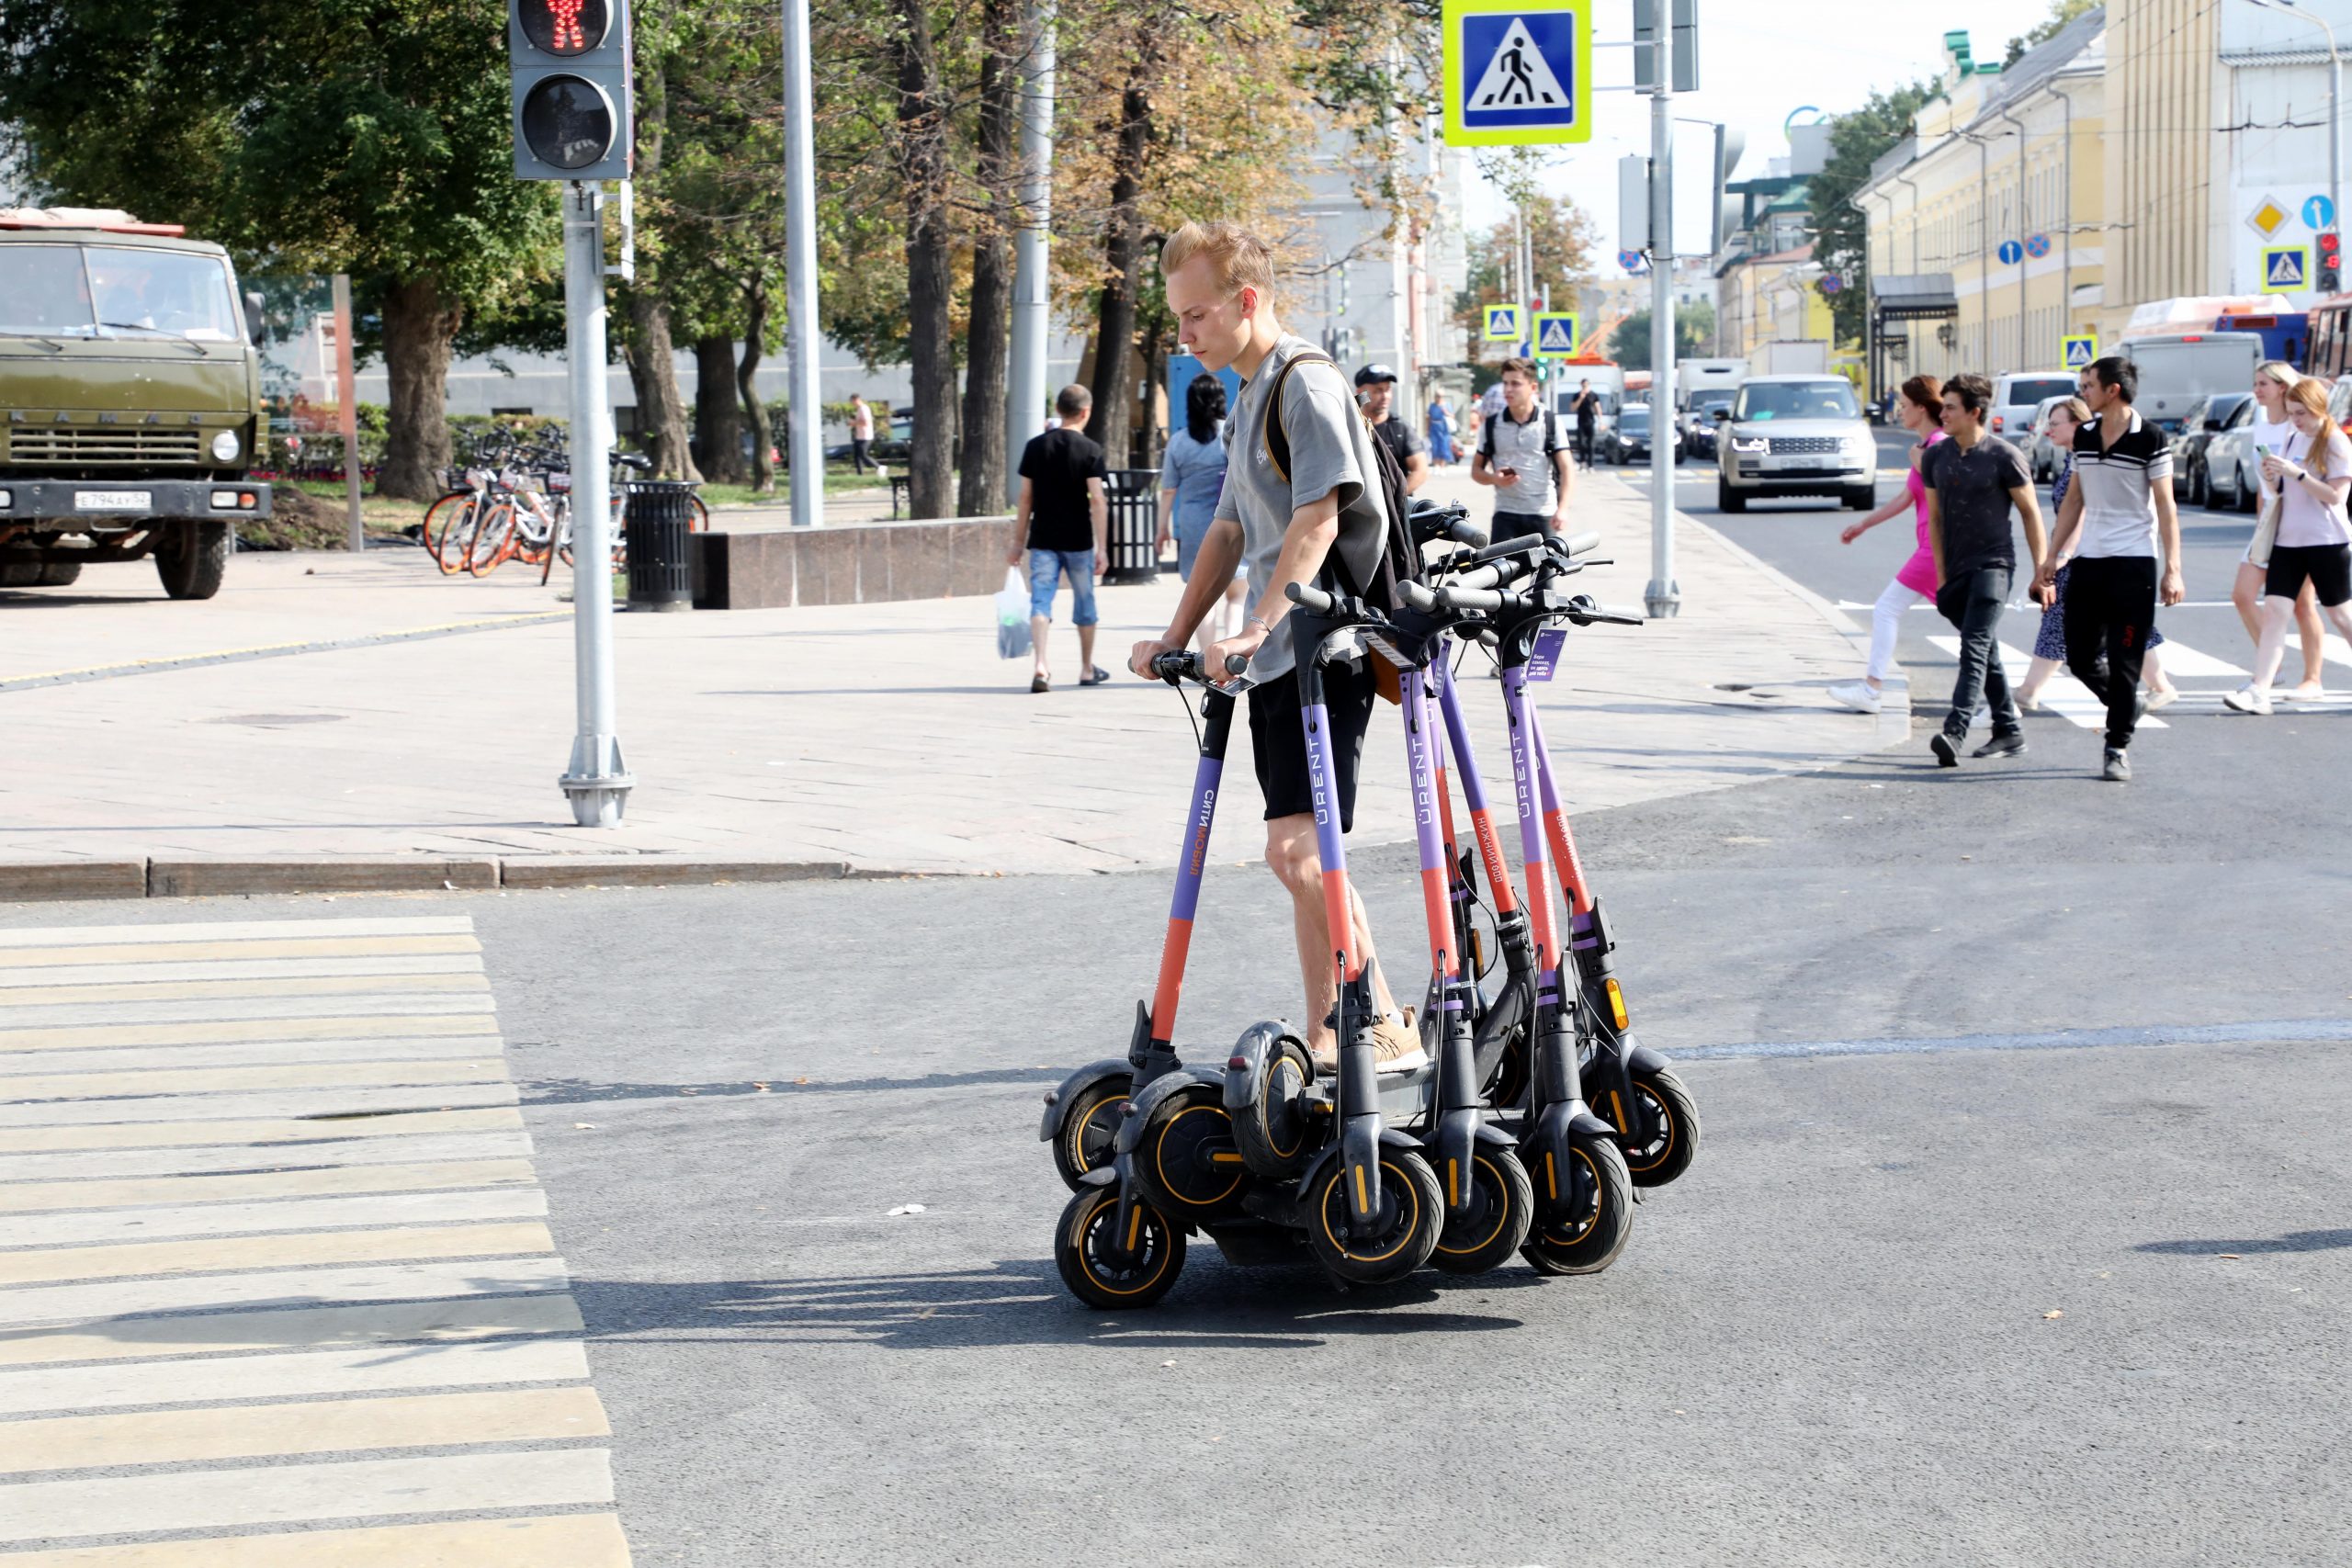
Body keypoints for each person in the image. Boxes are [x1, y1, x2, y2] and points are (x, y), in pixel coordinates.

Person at [1126, 218, 1425, 1073]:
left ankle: (1383, 1020)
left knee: (1296, 851)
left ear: (1247, 301)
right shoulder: (1250, 395)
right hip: (1276, 661)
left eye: (1195, 316)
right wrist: (1177, 636)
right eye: (1179, 319)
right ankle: (1333, 1026)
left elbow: (1320, 514)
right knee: (1302, 849)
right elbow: (1227, 528)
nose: (1184, 337)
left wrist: (1258, 624)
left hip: (1322, 651)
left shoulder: (1306, 383)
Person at [2031, 357, 2184, 782]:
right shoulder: (2084, 435)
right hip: (2088, 563)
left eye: (2089, 385)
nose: (2083, 392)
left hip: (2133, 565)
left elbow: (2167, 507)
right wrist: (2051, 555)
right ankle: (2126, 706)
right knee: (2080, 657)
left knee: (2125, 659)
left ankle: (2117, 745)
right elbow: (2075, 500)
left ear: (2112, 390)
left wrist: (2173, 569)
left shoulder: (2151, 438)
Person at [1920, 373, 2049, 767]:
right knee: (1985, 650)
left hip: (1994, 564)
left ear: (1974, 413)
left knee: (1973, 647)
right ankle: (2008, 728)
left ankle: (1955, 730)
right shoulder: (1935, 457)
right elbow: (1936, 520)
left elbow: (2030, 513)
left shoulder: (2003, 456)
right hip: (1955, 571)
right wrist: (1941, 576)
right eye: (1943, 406)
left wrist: (2041, 571)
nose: (1942, 414)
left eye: (1951, 407)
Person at [2018, 396, 2177, 713]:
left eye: (2055, 423)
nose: (2048, 431)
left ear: (2077, 424)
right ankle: (2158, 687)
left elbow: (2086, 509)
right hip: (2082, 555)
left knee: (2064, 623)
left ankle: (2028, 691)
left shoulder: (2094, 457)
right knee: (2120, 625)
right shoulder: (2074, 459)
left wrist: (2061, 555)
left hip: (2088, 555)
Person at [2223, 374, 2352, 714]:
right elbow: (2284, 492)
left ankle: (2265, 689)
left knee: (2340, 614)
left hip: (2327, 541)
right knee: (2276, 612)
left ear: (2318, 409)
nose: (2295, 420)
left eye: (2301, 413)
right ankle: (2259, 690)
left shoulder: (2336, 442)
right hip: (2287, 541)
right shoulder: (2294, 439)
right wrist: (2273, 475)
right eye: (2292, 412)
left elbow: (2336, 496)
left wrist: (2297, 474)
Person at [1826, 375, 1946, 715]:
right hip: (1931, 547)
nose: (1900, 412)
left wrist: (1922, 465)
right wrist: (1864, 524)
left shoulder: (1935, 447)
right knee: (1969, 624)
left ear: (1922, 408)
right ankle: (2004, 707)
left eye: (1905, 406)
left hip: (1935, 548)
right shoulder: (1924, 448)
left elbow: (1948, 495)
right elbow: (1906, 498)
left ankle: (1872, 689)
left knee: (1887, 609)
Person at [1005, 385, 1111, 694]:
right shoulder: (1090, 449)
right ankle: (1087, 668)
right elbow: (1098, 501)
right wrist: (1102, 547)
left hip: (1042, 540)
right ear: (1085, 412)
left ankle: (1040, 665)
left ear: (1059, 409)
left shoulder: (1035, 447)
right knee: (1085, 603)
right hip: (1078, 541)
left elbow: (1025, 498)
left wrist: (1017, 541)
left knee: (1041, 601)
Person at [1156, 373, 1246, 652]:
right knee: (1237, 596)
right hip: (1233, 519)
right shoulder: (1231, 434)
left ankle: (1207, 660)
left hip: (1194, 524)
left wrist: (1162, 529)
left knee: (1202, 596)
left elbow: (1168, 489)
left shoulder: (1179, 442)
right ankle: (1231, 653)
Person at [1471, 357, 1572, 544]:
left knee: (1548, 573)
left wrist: (1563, 509)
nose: (1508, 389)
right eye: (1506, 383)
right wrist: (1494, 478)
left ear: (1533, 388)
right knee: (1497, 571)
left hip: (1543, 513)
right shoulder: (1492, 424)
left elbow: (1567, 468)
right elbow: (1476, 471)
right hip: (1506, 514)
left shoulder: (1550, 421)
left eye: (1515, 384)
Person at [1354, 364, 1430, 494]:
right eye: (1378, 390)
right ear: (1362, 393)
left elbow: (1420, 470)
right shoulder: (1350, 426)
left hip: (1394, 511)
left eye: (1388, 389)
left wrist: (1395, 499)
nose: (1385, 396)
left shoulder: (1400, 428)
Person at [1569, 378, 1601, 468]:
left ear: (1589, 385)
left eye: (1586, 385)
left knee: (1591, 445)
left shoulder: (1593, 395)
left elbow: (1598, 408)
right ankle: (1583, 462)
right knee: (1581, 444)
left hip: (1590, 422)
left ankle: (1591, 465)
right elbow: (1572, 408)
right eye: (1583, 385)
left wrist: (1600, 421)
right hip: (1581, 422)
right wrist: (1581, 398)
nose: (1584, 387)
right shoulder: (1576, 395)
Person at [848, 394, 875, 474]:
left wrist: (853, 423)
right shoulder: (859, 409)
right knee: (857, 456)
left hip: (866, 436)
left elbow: (865, 422)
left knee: (863, 455)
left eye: (852, 401)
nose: (852, 403)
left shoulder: (864, 409)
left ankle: (879, 467)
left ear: (856, 400)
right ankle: (860, 473)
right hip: (859, 436)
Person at [1427, 391, 1455, 467]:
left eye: (1440, 396)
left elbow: (1452, 416)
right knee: (1435, 446)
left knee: (1444, 446)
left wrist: (1446, 413)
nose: (1439, 398)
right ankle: (1436, 465)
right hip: (1434, 427)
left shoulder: (1446, 405)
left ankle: (1442, 465)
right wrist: (1428, 429)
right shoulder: (1432, 406)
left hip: (1444, 428)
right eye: (1437, 396)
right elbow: (1429, 418)